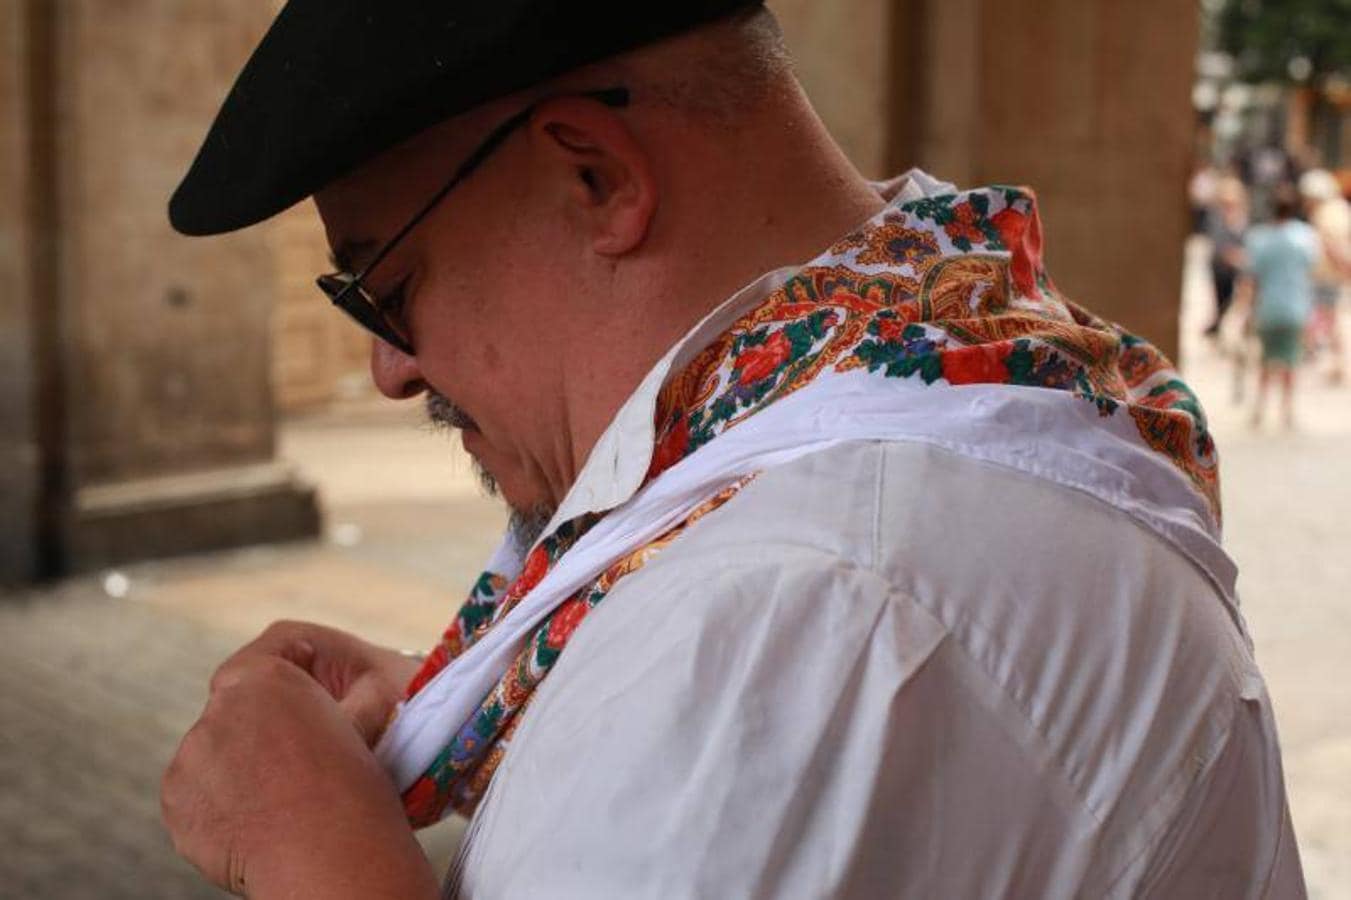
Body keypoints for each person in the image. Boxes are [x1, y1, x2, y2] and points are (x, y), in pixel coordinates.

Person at [160, 3, 1305, 897]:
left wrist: (314, 854)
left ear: (593, 179)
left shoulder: (798, 609)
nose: (390, 369)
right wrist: (549, 696)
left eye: (387, 288)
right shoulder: (936, 410)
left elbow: (801, 647)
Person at [1241, 188, 1321, 429]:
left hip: (1269, 307)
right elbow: (1311, 270)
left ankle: (1259, 408)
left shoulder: (1260, 239)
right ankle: (1287, 410)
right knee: (1290, 361)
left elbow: (1252, 279)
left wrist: (1246, 310)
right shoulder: (1305, 237)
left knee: (1266, 360)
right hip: (1295, 305)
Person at [1299, 169, 1351, 383]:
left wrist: (1346, 269)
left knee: (1327, 319)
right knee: (1328, 320)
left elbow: (1333, 245)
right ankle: (1333, 362)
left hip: (1326, 276)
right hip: (1327, 275)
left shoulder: (1328, 213)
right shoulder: (1337, 209)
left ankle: (1335, 364)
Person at [1204, 174, 1249, 337]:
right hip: (1221, 266)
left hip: (1238, 266)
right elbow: (1217, 242)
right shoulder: (1217, 218)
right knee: (1222, 299)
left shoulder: (1243, 217)